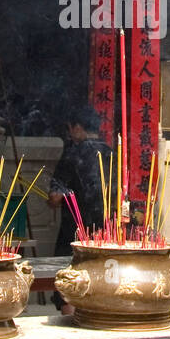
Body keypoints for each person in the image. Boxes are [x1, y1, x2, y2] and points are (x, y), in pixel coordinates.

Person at [47, 106, 113, 311]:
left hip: (74, 231)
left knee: (69, 281)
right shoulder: (112, 154)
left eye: (70, 129)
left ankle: (69, 322)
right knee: (99, 278)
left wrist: (53, 199)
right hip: (106, 230)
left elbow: (57, 196)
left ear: (77, 127)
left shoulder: (73, 154)